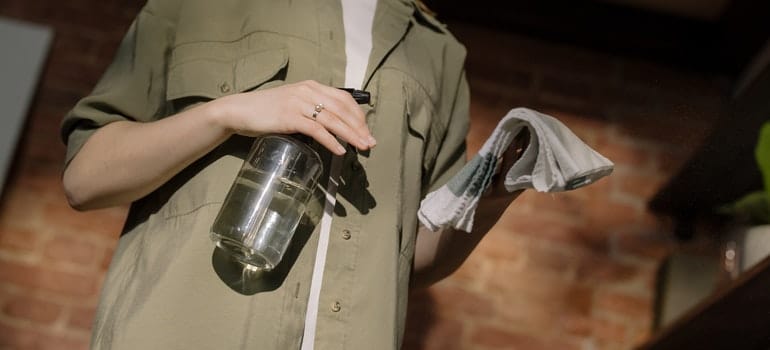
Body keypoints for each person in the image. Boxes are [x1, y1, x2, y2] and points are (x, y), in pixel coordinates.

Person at [61, 0, 523, 348]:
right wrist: (225, 114)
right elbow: (84, 179)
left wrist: (495, 196)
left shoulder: (440, 52)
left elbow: (405, 261)